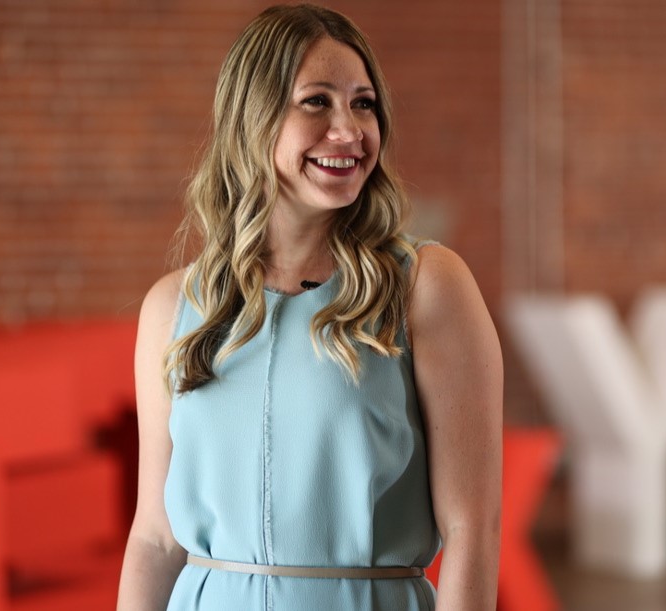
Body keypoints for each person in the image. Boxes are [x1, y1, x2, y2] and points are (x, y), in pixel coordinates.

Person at [115, 4, 502, 610]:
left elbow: (472, 529)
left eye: (363, 103)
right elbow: (155, 539)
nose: (348, 130)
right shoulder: (173, 307)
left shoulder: (427, 285)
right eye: (316, 101)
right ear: (255, 117)